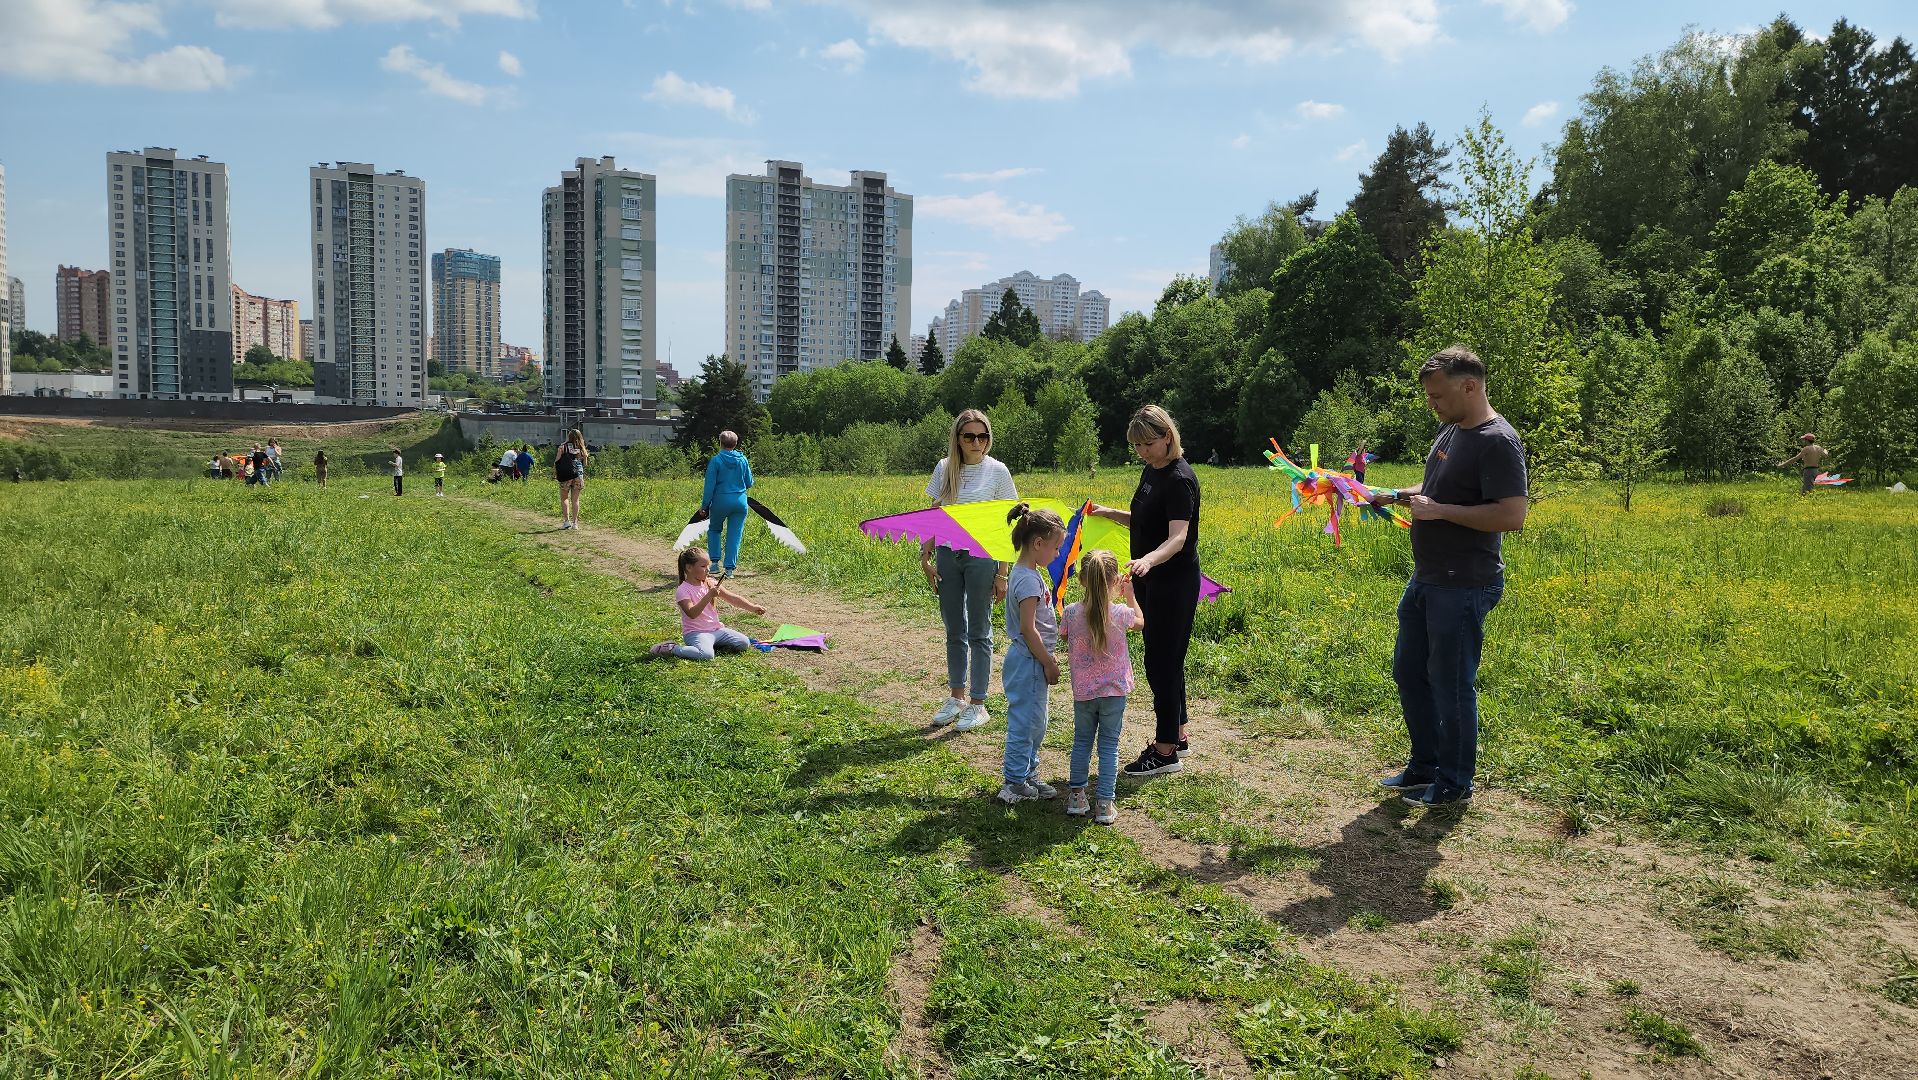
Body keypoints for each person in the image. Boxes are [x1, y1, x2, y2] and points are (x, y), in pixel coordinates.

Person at [1369, 346, 1528, 808]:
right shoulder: (1450, 430)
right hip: (1427, 577)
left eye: (1438, 395)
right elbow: (1435, 490)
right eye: (1429, 396)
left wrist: (1438, 512)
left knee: (1451, 682)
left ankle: (1455, 782)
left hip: (1464, 583)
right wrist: (1395, 494)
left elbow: (1511, 515)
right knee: (1409, 671)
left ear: (1470, 386)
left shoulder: (1497, 441)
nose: (1431, 404)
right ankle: (1425, 765)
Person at [1089, 404, 1200, 778]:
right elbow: (1147, 519)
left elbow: (1178, 537)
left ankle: (1165, 749)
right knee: (1166, 659)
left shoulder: (1180, 478)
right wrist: (1110, 513)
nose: (1142, 452)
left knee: (1161, 663)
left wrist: (1150, 560)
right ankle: (1178, 733)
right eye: (1136, 446)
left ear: (1167, 436)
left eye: (1147, 444)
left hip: (1172, 581)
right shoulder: (1152, 471)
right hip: (1150, 578)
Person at [922, 409, 1020, 733]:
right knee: (954, 628)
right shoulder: (945, 468)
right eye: (970, 436)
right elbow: (933, 514)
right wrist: (926, 555)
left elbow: (1007, 526)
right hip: (948, 556)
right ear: (958, 439)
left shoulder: (998, 472)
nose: (977, 442)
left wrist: (1002, 572)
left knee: (979, 630)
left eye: (983, 436)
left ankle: (978, 703)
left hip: (982, 558)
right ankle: (957, 697)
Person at [1060, 549, 1144, 825]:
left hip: (1084, 693)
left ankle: (1076, 797)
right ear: (1115, 582)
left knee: (1082, 741)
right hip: (1114, 693)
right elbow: (1141, 622)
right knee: (1109, 746)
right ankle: (1105, 804)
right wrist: (1130, 595)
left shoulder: (1071, 613)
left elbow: (1063, 635)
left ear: (1083, 580)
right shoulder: (1120, 613)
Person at [996, 502, 1065, 805]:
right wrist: (1048, 662)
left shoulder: (1027, 573)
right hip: (1029, 662)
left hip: (1030, 660)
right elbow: (1028, 628)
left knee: (1036, 721)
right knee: (1026, 723)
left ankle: (1028, 774)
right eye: (1056, 547)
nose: (1058, 554)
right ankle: (1013, 783)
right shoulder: (1025, 579)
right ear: (1038, 543)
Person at [651, 547, 768, 661]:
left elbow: (732, 598)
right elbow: (692, 613)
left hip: (716, 630)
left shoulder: (710, 583)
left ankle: (711, 644)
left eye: (708, 566)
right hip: (696, 633)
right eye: (703, 566)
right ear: (689, 568)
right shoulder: (683, 590)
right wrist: (709, 596)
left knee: (744, 643)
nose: (708, 570)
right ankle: (672, 648)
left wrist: (752, 607)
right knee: (706, 655)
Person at [701, 430, 755, 579]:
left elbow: (709, 487)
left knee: (714, 530)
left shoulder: (716, 461)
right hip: (740, 502)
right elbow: (749, 482)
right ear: (736, 444)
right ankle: (729, 570)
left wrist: (704, 505)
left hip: (720, 501)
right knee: (734, 534)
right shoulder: (743, 460)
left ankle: (713, 564)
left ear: (720, 443)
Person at [555, 430, 588, 529]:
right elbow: (585, 464)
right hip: (578, 476)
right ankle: (575, 523)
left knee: (564, 498)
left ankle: (566, 522)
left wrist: (556, 472)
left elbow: (556, 461)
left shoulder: (563, 447)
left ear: (569, 436)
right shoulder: (581, 448)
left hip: (566, 475)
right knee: (575, 500)